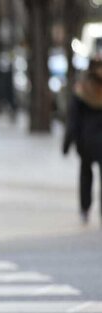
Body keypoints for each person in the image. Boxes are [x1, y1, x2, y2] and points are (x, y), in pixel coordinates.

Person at [63, 56, 102, 225]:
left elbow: (73, 120)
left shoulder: (81, 89)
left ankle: (85, 209)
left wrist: (67, 143)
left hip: (86, 140)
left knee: (86, 175)